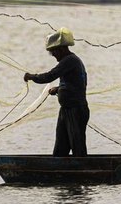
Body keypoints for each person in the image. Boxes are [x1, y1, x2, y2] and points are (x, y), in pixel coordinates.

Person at [24, 27, 90, 157]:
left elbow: (50, 76)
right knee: (61, 147)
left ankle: (83, 172)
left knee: (78, 148)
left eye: (53, 51)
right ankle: (58, 169)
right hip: (66, 110)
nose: (53, 55)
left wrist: (32, 77)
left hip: (75, 110)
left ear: (61, 49)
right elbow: (74, 84)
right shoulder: (70, 62)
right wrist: (59, 89)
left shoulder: (70, 60)